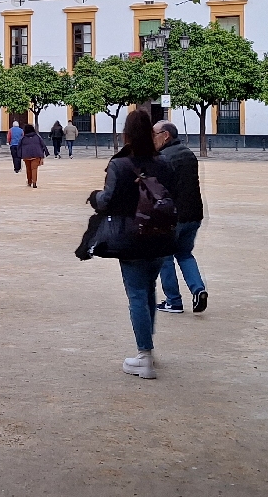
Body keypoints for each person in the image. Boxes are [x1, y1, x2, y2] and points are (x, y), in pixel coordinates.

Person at [87, 109, 177, 380]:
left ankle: (144, 355)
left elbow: (108, 200)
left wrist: (95, 196)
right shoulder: (163, 161)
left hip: (132, 237)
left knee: (137, 294)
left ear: (126, 133)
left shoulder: (120, 164)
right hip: (161, 235)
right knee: (148, 290)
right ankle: (148, 351)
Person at [153, 121, 208, 314]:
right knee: (185, 254)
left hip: (171, 217)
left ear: (165, 135)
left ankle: (173, 301)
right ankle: (198, 289)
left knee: (165, 258)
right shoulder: (188, 153)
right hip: (193, 214)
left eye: (154, 134)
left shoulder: (162, 157)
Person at [19, 123, 47, 188]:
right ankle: (34, 182)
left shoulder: (24, 138)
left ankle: (29, 182)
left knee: (28, 169)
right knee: (34, 169)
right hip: (36, 155)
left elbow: (19, 146)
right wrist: (43, 154)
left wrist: (19, 155)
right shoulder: (37, 137)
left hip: (26, 155)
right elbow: (42, 145)